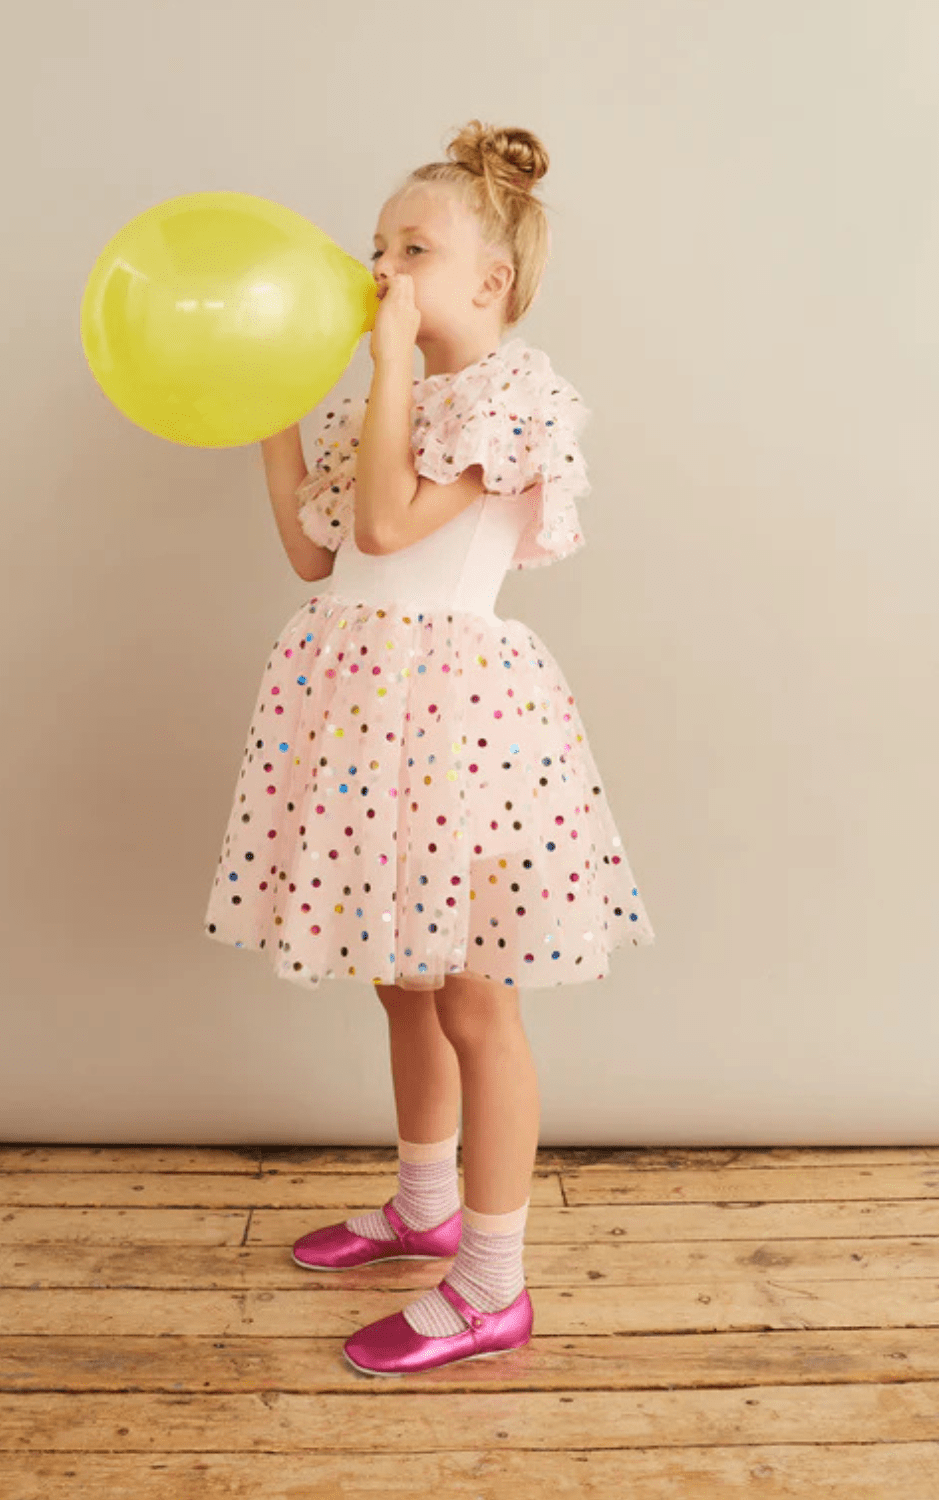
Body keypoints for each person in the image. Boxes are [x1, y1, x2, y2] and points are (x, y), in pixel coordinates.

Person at [203, 121, 656, 1375]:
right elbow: (317, 550)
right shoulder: (379, 395)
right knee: (398, 976)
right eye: (376, 248)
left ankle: (493, 1284)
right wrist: (273, 413)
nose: (381, 272)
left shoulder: (516, 397)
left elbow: (397, 522)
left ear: (488, 283)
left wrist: (392, 362)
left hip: (452, 714)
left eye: (413, 249)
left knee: (473, 998)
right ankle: (421, 1205)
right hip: (353, 709)